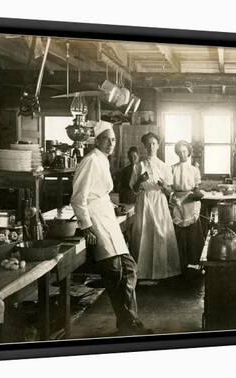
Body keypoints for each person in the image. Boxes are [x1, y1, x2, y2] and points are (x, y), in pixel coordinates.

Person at [71, 121, 150, 336]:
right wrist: (86, 227)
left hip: (107, 217)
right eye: (106, 139)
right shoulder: (90, 161)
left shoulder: (103, 160)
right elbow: (78, 198)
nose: (111, 143)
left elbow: (100, 194)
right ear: (97, 140)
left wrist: (114, 207)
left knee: (129, 268)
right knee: (115, 271)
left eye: (113, 140)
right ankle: (128, 323)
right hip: (96, 220)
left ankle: (129, 321)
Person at [130, 132, 180, 282]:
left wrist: (164, 185)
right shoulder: (139, 165)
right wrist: (140, 180)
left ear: (158, 146)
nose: (151, 146)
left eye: (154, 143)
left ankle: (162, 272)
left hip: (159, 200)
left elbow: (169, 190)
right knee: (143, 233)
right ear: (144, 146)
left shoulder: (164, 166)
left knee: (160, 233)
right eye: (148, 144)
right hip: (144, 200)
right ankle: (142, 272)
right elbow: (133, 188)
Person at [171, 140, 205, 274]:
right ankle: (180, 263)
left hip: (190, 201)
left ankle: (196, 262)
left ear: (189, 152)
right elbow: (170, 187)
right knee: (178, 232)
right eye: (179, 152)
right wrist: (174, 197)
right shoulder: (172, 168)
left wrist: (196, 194)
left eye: (184, 151)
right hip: (178, 200)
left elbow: (197, 187)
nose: (182, 154)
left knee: (193, 231)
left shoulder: (194, 169)